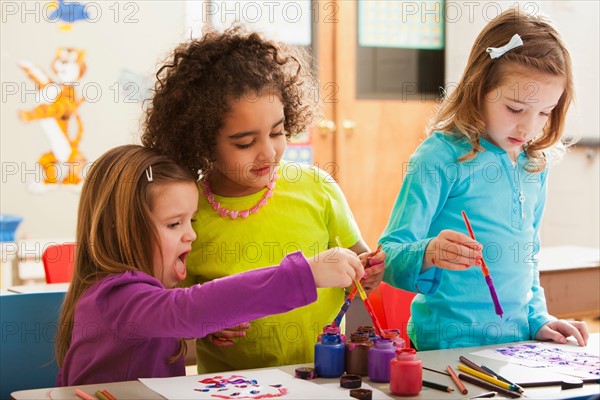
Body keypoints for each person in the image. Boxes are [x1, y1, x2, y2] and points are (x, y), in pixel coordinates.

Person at [141, 27, 386, 373]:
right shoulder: (184, 211)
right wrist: (209, 324)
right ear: (202, 141)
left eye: (278, 132)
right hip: (233, 386)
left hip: (322, 375)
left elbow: (360, 257)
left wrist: (368, 269)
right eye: (245, 143)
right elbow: (174, 308)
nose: (269, 152)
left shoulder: (317, 187)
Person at [55, 145, 365, 385]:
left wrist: (210, 326)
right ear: (120, 230)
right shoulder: (116, 297)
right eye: (174, 224)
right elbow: (188, 309)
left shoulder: (139, 297)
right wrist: (304, 274)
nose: (191, 235)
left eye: (191, 221)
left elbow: (183, 319)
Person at [379, 8, 588, 351]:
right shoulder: (440, 157)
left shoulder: (534, 165)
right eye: (516, 109)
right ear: (480, 88)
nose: (529, 128)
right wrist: (428, 252)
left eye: (545, 112)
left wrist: (539, 319)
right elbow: (388, 255)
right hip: (446, 347)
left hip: (516, 348)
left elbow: (528, 257)